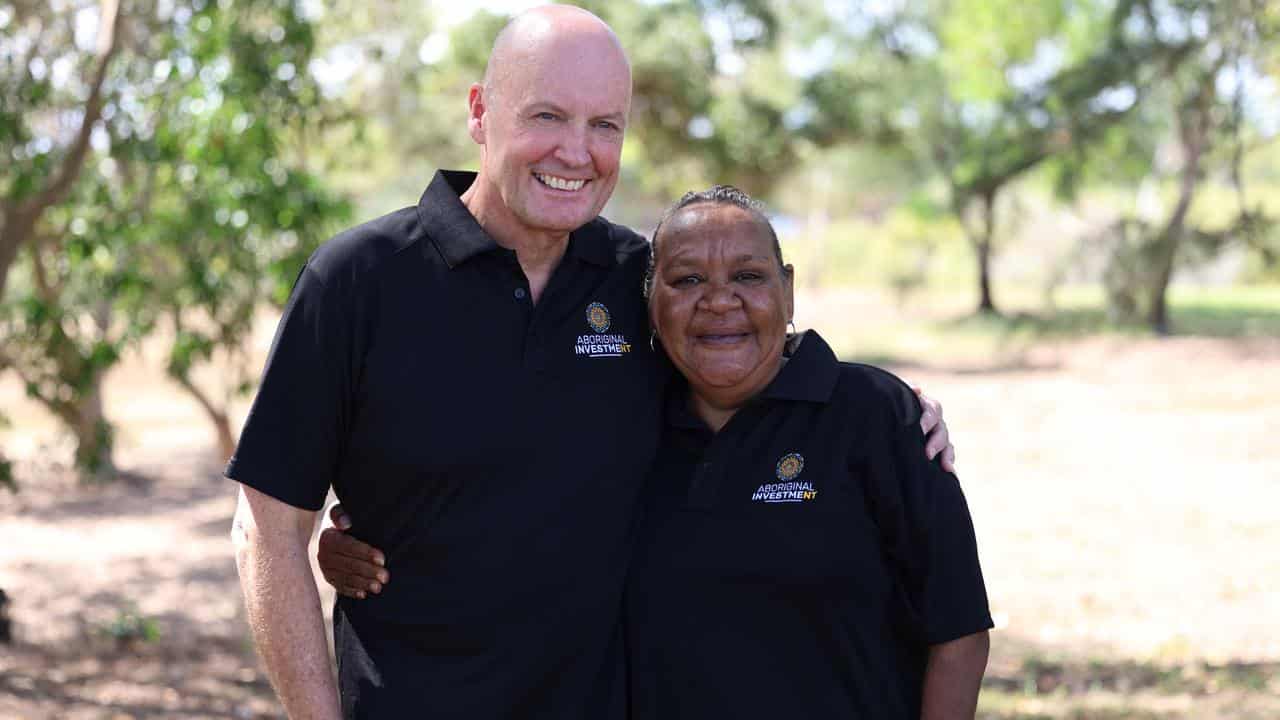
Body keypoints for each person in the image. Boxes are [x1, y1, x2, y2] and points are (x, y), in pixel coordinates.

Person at [229, 6, 955, 719]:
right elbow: (267, 529)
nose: (577, 152)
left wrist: (893, 409)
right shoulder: (358, 281)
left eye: (604, 125)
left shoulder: (640, 282)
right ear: (481, 112)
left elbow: (747, 358)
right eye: (547, 116)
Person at [323, 187, 991, 718]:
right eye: (687, 279)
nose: (720, 301)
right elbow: (503, 496)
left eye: (749, 275)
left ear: (787, 290)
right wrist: (373, 535)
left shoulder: (873, 415)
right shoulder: (625, 419)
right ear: (649, 304)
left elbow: (958, 632)